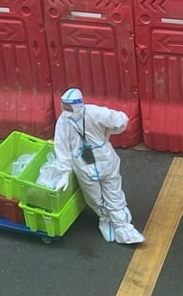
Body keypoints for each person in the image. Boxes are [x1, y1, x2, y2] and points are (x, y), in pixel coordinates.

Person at [51, 88, 144, 245]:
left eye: (69, 107)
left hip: (105, 160)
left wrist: (107, 134)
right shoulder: (63, 121)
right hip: (82, 164)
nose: (66, 110)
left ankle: (124, 228)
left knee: (114, 194)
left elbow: (121, 120)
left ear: (78, 105)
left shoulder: (95, 113)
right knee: (94, 197)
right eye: (64, 106)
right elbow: (61, 146)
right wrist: (64, 171)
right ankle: (105, 219)